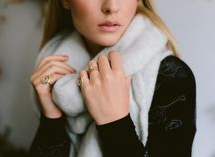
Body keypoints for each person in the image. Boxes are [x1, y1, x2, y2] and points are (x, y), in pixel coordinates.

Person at [29, 0, 196, 157]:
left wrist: (115, 123)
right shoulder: (53, 74)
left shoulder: (173, 76)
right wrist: (51, 120)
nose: (111, 6)